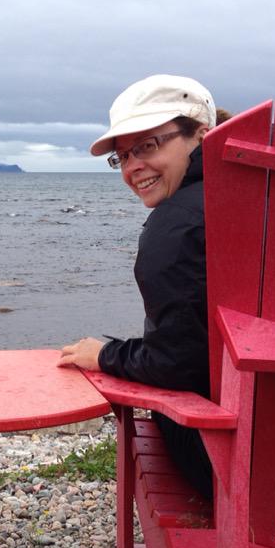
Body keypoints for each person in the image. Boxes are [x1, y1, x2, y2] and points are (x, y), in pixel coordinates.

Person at [57, 74, 230, 501]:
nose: (132, 167)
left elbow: (176, 363)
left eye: (148, 145)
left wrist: (105, 355)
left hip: (231, 461)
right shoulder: (269, 196)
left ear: (200, 136)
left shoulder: (176, 226)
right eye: (122, 156)